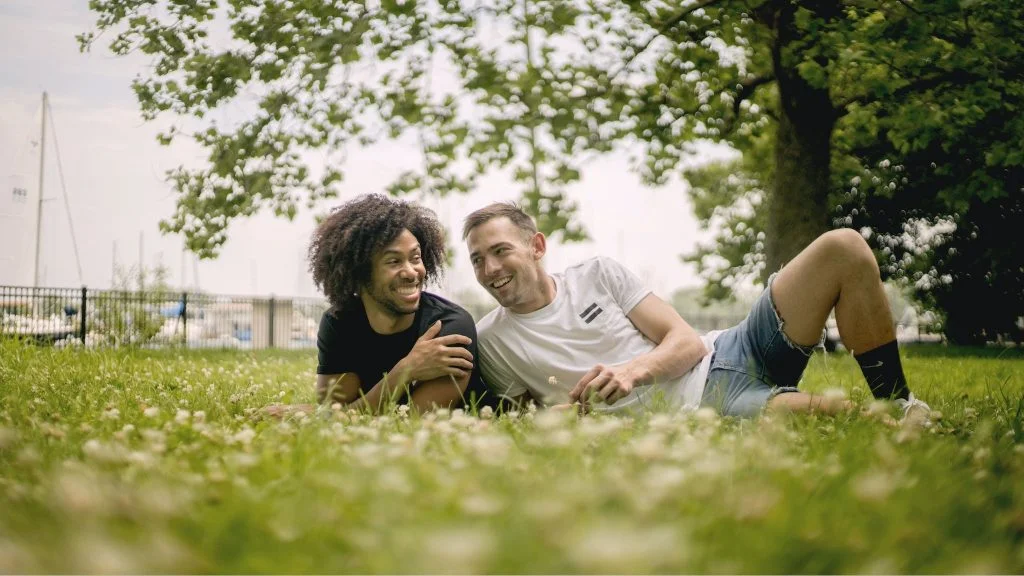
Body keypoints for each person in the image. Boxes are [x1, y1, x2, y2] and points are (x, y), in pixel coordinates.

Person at [464, 202, 930, 422]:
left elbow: (685, 342)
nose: (490, 268)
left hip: (733, 346)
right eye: (477, 260)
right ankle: (891, 421)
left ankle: (901, 400)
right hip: (705, 404)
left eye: (500, 250)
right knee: (846, 418)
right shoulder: (494, 340)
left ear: (537, 246)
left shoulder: (598, 274)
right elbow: (519, 417)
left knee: (843, 248)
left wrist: (633, 371)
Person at [268, 194, 495, 417]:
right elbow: (335, 410)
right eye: (393, 261)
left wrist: (316, 415)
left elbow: (412, 420)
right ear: (359, 273)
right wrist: (406, 370)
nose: (410, 272)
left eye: (415, 258)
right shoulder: (340, 322)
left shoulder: (450, 326)